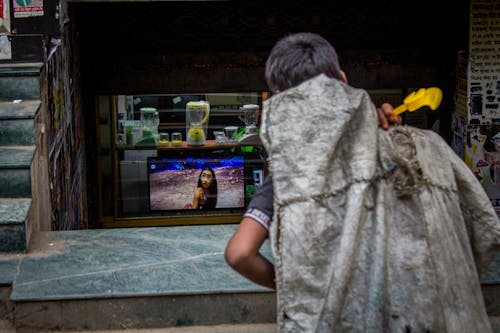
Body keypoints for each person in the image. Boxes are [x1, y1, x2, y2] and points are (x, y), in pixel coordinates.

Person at [225, 32, 500, 332]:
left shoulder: (290, 175)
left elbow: (240, 253)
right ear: (342, 79)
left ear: (279, 101)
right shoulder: (421, 149)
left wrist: (301, 287)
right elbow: (485, 231)